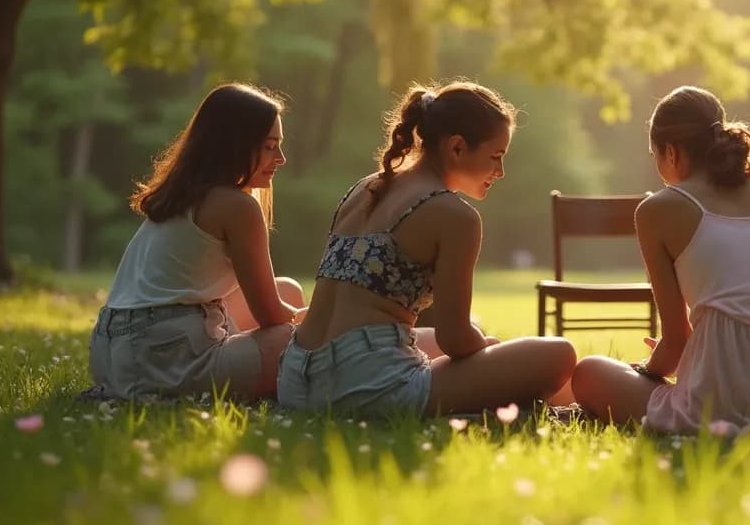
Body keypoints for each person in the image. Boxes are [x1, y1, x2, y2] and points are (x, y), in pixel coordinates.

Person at [278, 81, 576, 418]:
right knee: (558, 355)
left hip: (296, 377)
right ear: (457, 147)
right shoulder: (454, 215)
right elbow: (456, 340)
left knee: (454, 346)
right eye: (496, 157)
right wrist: (486, 350)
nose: (501, 172)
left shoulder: (364, 188)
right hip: (364, 385)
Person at [570, 86, 750, 435]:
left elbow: (677, 343)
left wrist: (648, 369)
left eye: (654, 155)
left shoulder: (658, 210)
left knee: (590, 373)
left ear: (670, 152)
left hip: (720, 410)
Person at [89, 83, 305, 401]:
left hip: (111, 353)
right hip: (159, 359)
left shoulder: (184, 194)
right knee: (298, 340)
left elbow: (272, 303)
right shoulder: (237, 206)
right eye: (270, 147)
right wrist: (328, 317)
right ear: (235, 146)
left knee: (288, 290)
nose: (281, 159)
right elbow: (271, 316)